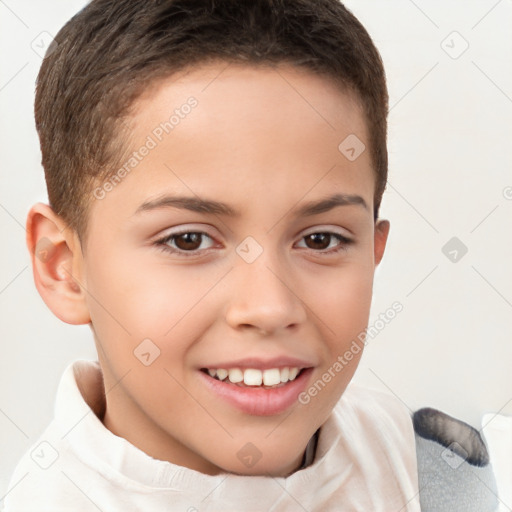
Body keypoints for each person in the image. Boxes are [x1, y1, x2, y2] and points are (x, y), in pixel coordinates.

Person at [4, 0, 420, 509]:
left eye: (320, 239)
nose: (269, 307)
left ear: (373, 252)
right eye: (188, 240)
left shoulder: (440, 471)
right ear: (63, 267)